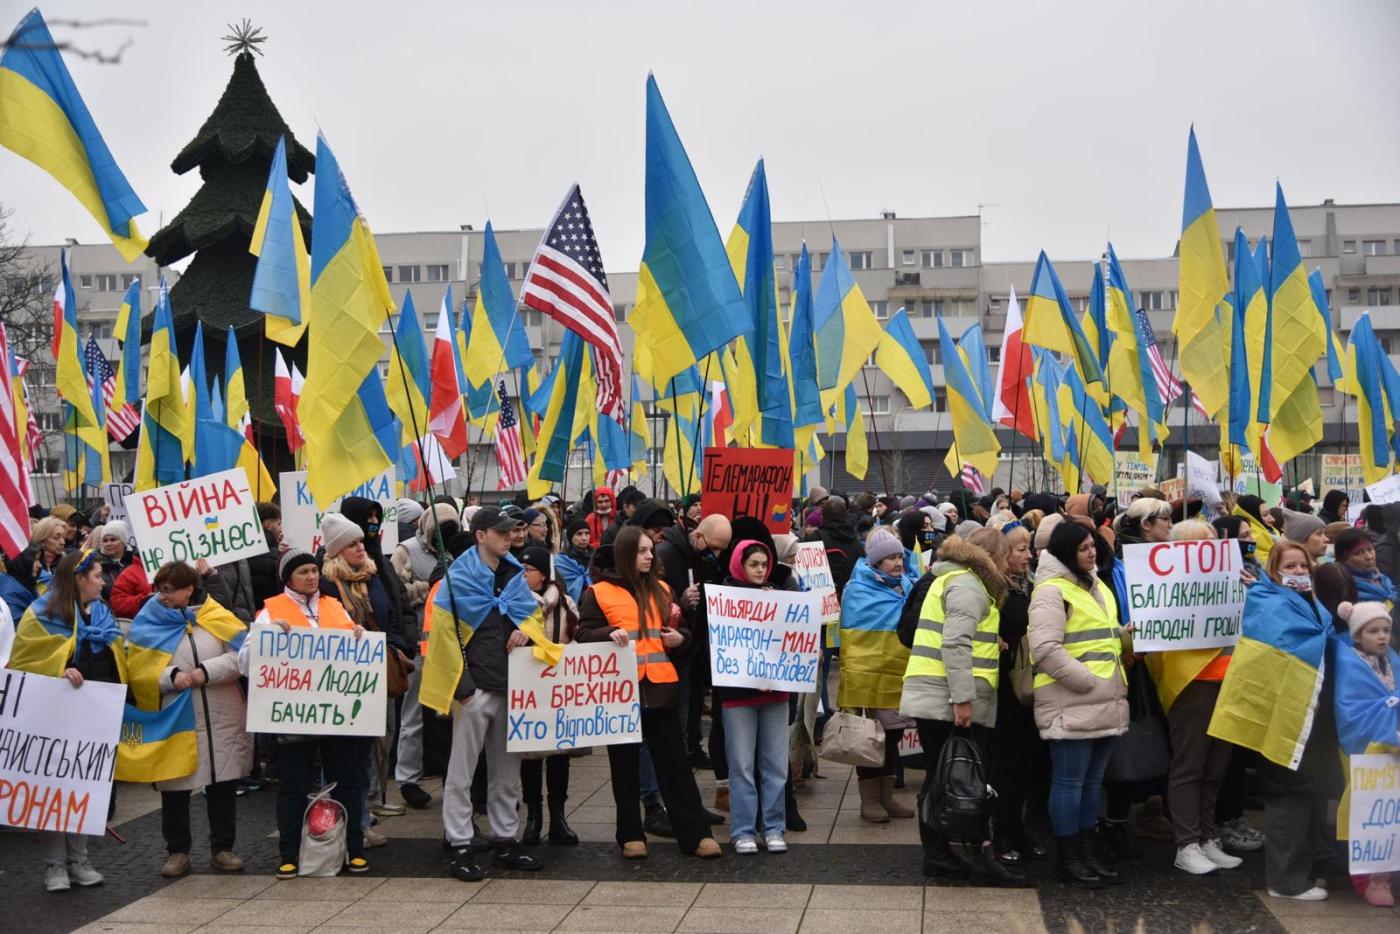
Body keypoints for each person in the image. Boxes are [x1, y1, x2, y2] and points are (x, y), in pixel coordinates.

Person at [575, 527, 721, 859]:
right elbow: (582, 634)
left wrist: (680, 640)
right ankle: (630, 834)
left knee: (675, 764)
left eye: (650, 551)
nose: (650, 556)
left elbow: (682, 633)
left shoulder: (663, 590)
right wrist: (607, 633)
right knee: (624, 766)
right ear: (626, 554)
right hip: (619, 691)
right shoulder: (598, 593)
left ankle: (696, 834)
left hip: (659, 688)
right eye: (642, 551)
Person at [420, 506, 545, 881]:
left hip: (510, 685)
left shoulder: (513, 575)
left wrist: (525, 631)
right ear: (480, 535)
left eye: (511, 532)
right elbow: (443, 638)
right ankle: (460, 843)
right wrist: (464, 688)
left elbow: (531, 617)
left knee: (506, 772)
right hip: (475, 689)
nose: (510, 537)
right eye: (501, 532)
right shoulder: (456, 580)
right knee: (462, 771)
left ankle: (505, 839)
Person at [1209, 540, 1336, 901]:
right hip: (1282, 716)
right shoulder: (1267, 601)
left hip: (1308, 715)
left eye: (1303, 566)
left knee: (1305, 791)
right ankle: (1285, 881)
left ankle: (1299, 873)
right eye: (1289, 567)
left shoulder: (1311, 603)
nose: (1298, 572)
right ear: (1274, 571)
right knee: (1287, 795)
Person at [901, 530, 1027, 886]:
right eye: (1005, 556)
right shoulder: (969, 586)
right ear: (991, 556)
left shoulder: (956, 580)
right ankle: (955, 854)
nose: (1009, 565)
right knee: (956, 778)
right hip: (948, 697)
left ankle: (943, 854)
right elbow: (955, 643)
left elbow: (959, 635)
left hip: (939, 694)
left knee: (944, 776)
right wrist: (963, 700)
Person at [125, 561, 251, 878]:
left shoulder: (216, 615)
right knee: (175, 786)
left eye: (169, 590)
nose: (162, 596)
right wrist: (172, 677)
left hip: (222, 714)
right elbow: (138, 669)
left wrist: (205, 672)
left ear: (188, 589)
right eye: (159, 589)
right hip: (176, 717)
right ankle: (177, 851)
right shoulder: (148, 622)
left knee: (223, 784)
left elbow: (241, 656)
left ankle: (223, 849)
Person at [9, 549, 124, 892]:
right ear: (78, 577)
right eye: (97, 576)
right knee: (53, 789)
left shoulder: (102, 612)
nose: (103, 582)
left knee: (86, 788)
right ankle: (55, 865)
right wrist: (58, 671)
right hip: (54, 716)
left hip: (94, 713)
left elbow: (117, 655)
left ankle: (80, 859)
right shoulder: (42, 612)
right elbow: (25, 660)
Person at [251, 550, 370, 878]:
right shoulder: (271, 610)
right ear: (287, 578)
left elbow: (351, 650)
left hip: (336, 715)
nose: (311, 577)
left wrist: (358, 636)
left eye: (314, 571)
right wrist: (268, 638)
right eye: (303, 572)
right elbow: (247, 660)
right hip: (295, 716)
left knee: (346, 782)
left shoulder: (334, 606)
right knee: (294, 785)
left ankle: (353, 849)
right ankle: (289, 854)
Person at [1029, 522, 1129, 889]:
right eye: (1084, 547)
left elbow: (1103, 636)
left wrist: (1126, 637)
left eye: (1093, 546)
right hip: (1073, 699)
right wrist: (1087, 681)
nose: (1092, 552)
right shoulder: (1051, 591)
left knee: (1092, 783)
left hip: (1105, 699)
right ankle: (1069, 857)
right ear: (1066, 552)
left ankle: (1086, 851)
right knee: (1070, 782)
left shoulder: (1097, 586)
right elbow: (1045, 649)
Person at [319, 511, 412, 845]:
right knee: (342, 759)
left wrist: (396, 647)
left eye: (361, 541)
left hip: (375, 674)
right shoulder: (326, 584)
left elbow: (391, 618)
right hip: (341, 682)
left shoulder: (372, 576)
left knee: (368, 753)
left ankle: (359, 820)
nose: (361, 547)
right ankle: (337, 824)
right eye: (352, 543)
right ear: (336, 550)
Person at [713, 539, 789, 855]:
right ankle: (743, 830)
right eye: (753, 564)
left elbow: (791, 642)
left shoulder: (778, 597)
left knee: (776, 766)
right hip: (738, 695)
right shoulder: (724, 599)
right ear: (739, 566)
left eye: (764, 565)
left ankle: (773, 828)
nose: (760, 570)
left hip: (775, 693)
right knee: (742, 766)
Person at [838, 527, 915, 823]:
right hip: (868, 676)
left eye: (900, 557)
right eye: (891, 558)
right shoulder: (858, 589)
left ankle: (887, 796)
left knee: (894, 735)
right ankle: (869, 800)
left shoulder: (907, 585)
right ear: (876, 561)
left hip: (898, 672)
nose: (898, 562)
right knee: (870, 737)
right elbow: (852, 636)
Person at [391, 503, 458, 810]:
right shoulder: (406, 551)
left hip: (451, 646)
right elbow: (397, 592)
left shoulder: (458, 550)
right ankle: (407, 778)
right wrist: (428, 588)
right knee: (414, 714)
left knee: (450, 717)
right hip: (420, 643)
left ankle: (452, 777)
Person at [1332, 599, 1400, 907]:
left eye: (1386, 630)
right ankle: (1369, 878)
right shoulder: (1348, 663)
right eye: (1373, 631)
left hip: (1393, 745)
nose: (1382, 636)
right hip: (1363, 750)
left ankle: (1386, 873)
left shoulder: (1393, 660)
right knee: (1367, 812)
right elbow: (1351, 712)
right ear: (1358, 635)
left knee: (1390, 812)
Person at [990, 523, 1047, 866]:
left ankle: (1018, 827)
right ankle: (1001, 831)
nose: (1028, 555)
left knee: (1026, 763)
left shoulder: (1033, 585)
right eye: (1020, 549)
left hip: (1030, 686)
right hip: (1005, 688)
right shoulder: (996, 590)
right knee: (1005, 765)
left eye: (1029, 548)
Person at [516, 545, 581, 847]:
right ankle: (534, 816)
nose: (523, 574)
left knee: (559, 755)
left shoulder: (565, 604)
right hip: (527, 686)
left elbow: (578, 636)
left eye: (528, 570)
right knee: (529, 755)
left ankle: (558, 817)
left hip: (558, 686)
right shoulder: (515, 601)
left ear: (543, 575)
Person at [1335, 528, 1399, 608]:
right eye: (1357, 553)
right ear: (1343, 560)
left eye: (1370, 549)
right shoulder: (1347, 593)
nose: (1369, 557)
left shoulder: (1383, 580)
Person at [11, 516, 69, 602]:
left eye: (63, 537)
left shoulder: (67, 564)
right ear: (42, 539)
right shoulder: (27, 565)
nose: (62, 542)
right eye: (56, 538)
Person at [94, 520, 134, 604]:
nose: (109, 544)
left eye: (113, 539)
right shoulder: (96, 565)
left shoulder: (136, 560)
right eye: (105, 540)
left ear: (123, 541)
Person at [555, 518, 593, 605]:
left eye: (587, 533)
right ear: (570, 537)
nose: (584, 538)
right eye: (579, 534)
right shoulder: (561, 561)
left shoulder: (596, 557)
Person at [1233, 495, 1278, 564]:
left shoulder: (1271, 531)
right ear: (1253, 516)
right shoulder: (1253, 537)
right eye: (1265, 514)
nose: (1273, 519)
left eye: (1269, 513)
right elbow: (1255, 563)